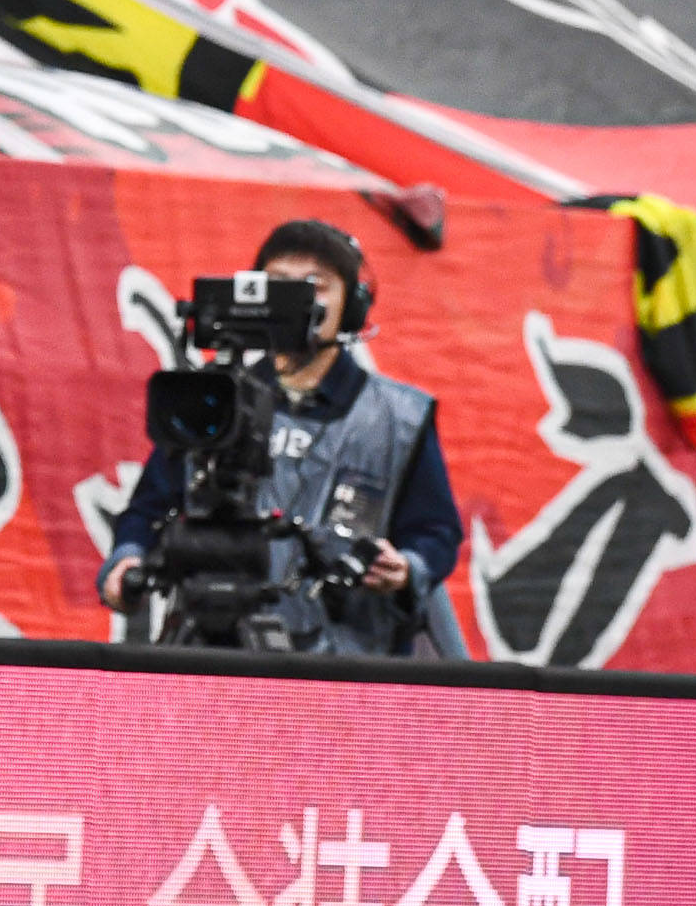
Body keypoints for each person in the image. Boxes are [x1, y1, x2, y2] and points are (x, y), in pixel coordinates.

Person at [99, 216, 465, 657]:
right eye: (278, 283)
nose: (295, 298)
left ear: (353, 305)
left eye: (315, 284)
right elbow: (148, 510)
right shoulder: (210, 401)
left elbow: (434, 531)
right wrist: (126, 561)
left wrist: (407, 568)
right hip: (216, 646)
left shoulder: (399, 417)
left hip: (350, 660)